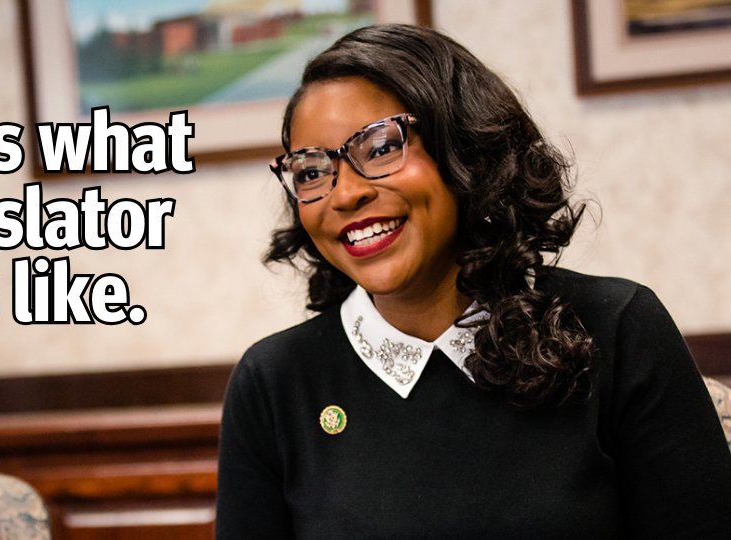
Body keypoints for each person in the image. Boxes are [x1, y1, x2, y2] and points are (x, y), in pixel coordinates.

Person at [215, 24, 731, 539]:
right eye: (311, 171)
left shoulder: (619, 329)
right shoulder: (273, 384)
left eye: (378, 148)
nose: (344, 194)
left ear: (465, 150)